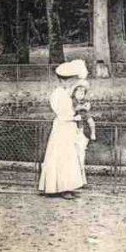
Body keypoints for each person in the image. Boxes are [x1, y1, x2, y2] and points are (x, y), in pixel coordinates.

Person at [38, 59, 89, 200]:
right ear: (65, 80)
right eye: (71, 79)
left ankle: (60, 186)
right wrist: (76, 117)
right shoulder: (59, 94)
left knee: (66, 156)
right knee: (63, 156)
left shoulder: (65, 93)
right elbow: (64, 113)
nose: (72, 82)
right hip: (63, 127)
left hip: (66, 128)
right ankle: (62, 188)